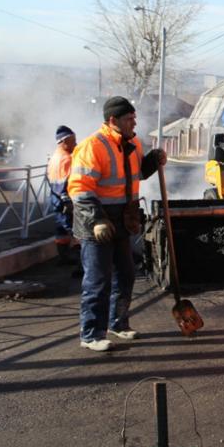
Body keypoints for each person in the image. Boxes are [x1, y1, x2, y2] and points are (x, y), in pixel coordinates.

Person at [68, 96, 165, 352]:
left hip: (123, 219)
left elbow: (137, 173)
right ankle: (91, 334)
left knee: (126, 275)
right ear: (113, 120)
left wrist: (153, 161)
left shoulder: (132, 143)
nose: (134, 122)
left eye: (134, 117)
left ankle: (118, 323)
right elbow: (80, 188)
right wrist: (97, 220)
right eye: (129, 118)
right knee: (98, 280)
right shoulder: (92, 146)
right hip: (96, 222)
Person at [47, 125, 78, 265]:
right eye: (73, 141)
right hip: (64, 201)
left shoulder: (55, 157)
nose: (75, 144)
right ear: (64, 141)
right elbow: (63, 183)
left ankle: (63, 258)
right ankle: (81, 265)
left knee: (61, 230)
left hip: (55, 199)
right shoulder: (66, 159)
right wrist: (67, 201)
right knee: (75, 231)